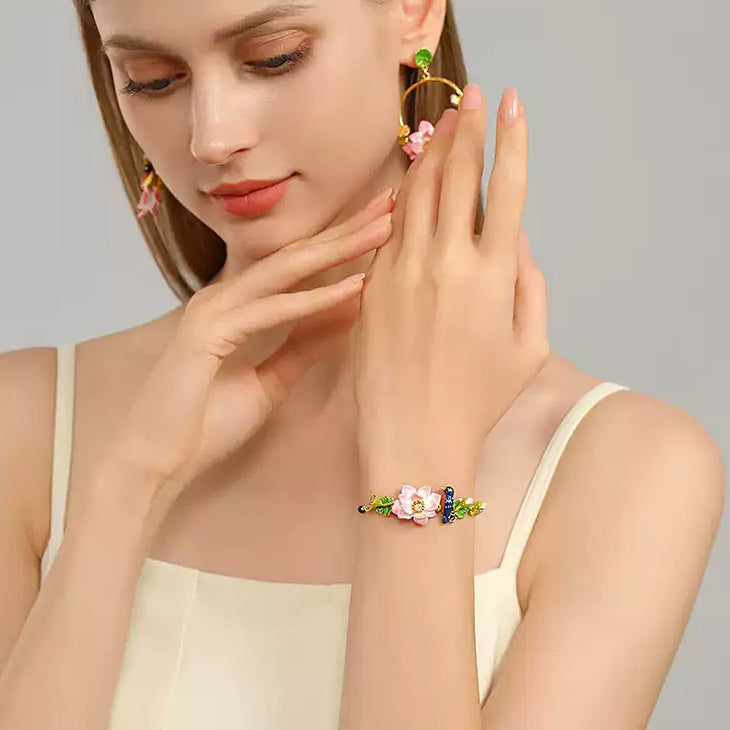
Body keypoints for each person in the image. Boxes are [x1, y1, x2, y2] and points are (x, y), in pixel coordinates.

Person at [0, 0, 724, 728]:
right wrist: (132, 483)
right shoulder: (24, 425)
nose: (212, 137)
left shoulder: (628, 469)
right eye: (152, 79)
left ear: (414, 13)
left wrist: (418, 475)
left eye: (273, 57)